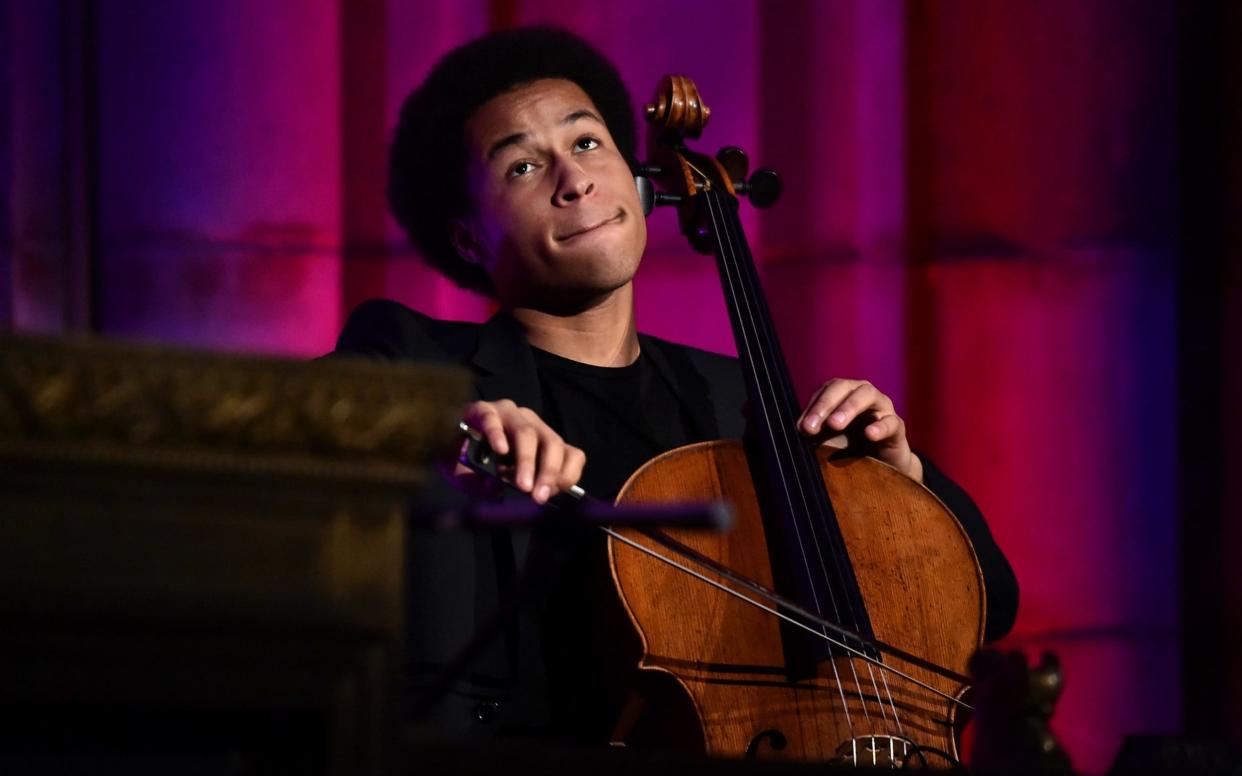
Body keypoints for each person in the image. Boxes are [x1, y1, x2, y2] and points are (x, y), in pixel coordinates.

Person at [334, 26, 1018, 745]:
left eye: (588, 143)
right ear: (470, 238)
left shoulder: (735, 402)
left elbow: (990, 607)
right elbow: (306, 421)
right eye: (522, 169)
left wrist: (900, 481)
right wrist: (447, 424)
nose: (575, 180)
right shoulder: (417, 359)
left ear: (639, 181)